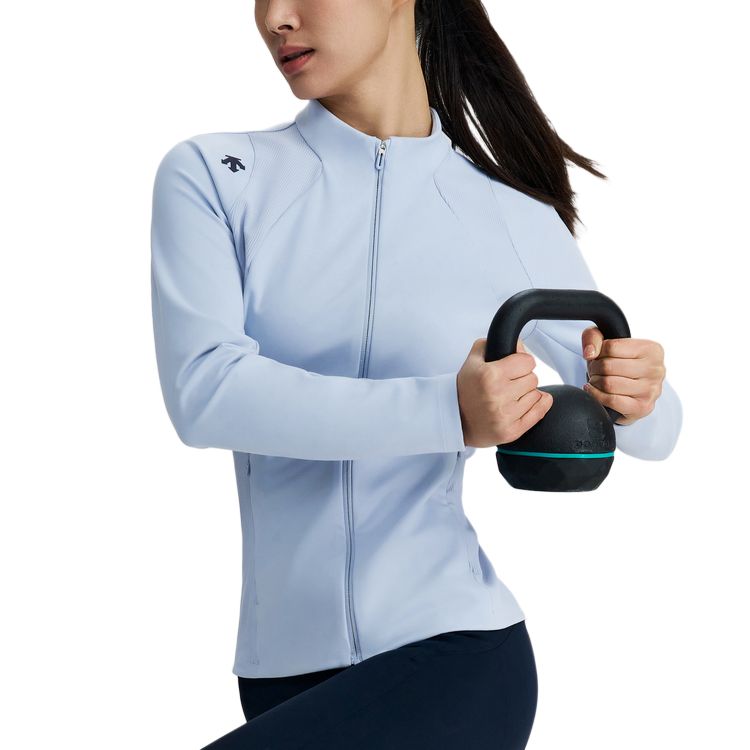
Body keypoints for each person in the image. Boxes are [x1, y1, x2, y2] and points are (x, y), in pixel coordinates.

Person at [149, 1, 683, 747]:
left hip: (453, 651)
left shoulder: (505, 211)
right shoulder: (217, 176)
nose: (276, 17)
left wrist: (636, 394)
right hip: (278, 670)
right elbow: (207, 393)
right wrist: (449, 412)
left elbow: (655, 430)